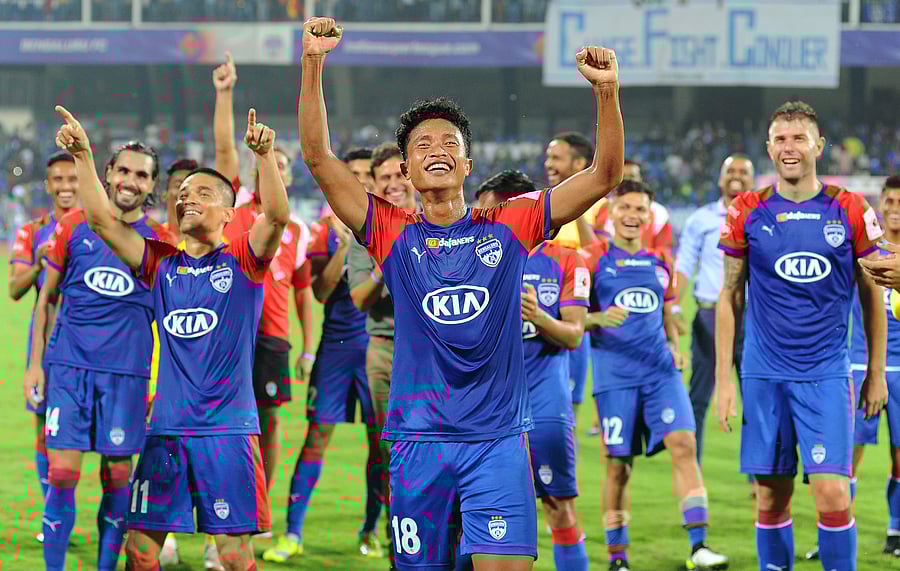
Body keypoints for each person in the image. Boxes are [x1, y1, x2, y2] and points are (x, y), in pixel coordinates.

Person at [299, 16, 623, 570]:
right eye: (422, 143)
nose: (436, 149)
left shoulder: (511, 224)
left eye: (449, 141)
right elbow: (318, 159)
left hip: (496, 440)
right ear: (404, 167)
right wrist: (312, 64)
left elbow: (604, 175)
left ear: (467, 163)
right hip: (418, 441)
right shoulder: (391, 231)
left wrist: (607, 92)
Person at [717, 101, 888, 571]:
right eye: (781, 139)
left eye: (799, 138)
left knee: (834, 494)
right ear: (769, 147)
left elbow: (872, 297)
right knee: (771, 498)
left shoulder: (850, 208)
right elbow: (729, 295)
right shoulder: (746, 209)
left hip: (826, 373)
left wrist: (875, 372)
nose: (789, 148)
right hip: (764, 374)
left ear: (818, 144)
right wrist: (724, 380)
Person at [24, 138, 170, 571]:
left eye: (141, 174)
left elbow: (168, 324)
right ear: (107, 173)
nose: (130, 181)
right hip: (69, 368)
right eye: (123, 171)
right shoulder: (73, 225)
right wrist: (35, 364)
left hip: (126, 376)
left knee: (118, 478)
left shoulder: (159, 243)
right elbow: (45, 299)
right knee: (63, 474)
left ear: (152, 185)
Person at [585, 180, 728, 571]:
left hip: (661, 372)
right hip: (616, 376)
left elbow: (667, 308)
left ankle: (699, 547)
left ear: (651, 216)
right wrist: (596, 317)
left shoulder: (660, 261)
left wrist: (676, 339)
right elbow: (569, 317)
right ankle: (618, 558)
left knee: (684, 443)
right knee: (618, 466)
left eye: (640, 210)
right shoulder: (593, 259)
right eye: (625, 208)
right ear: (611, 213)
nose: (632, 216)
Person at [262, 149, 383, 564]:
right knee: (317, 437)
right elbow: (320, 292)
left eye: (369, 174)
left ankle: (371, 530)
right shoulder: (323, 232)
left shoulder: (393, 227)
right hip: (337, 348)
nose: (363, 180)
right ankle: (292, 532)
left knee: (379, 445)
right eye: (355, 174)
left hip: (378, 349)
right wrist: (345, 249)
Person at [477, 169, 591, 571]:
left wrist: (538, 316)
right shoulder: (473, 261)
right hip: (485, 409)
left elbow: (574, 335)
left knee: (559, 507)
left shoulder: (567, 260)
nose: (480, 219)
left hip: (544, 406)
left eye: (489, 211)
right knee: (477, 516)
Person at [805, 175, 900, 561]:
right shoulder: (864, 248)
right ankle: (836, 529)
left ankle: (895, 530)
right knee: (847, 455)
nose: (894, 209)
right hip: (861, 362)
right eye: (889, 202)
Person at [347, 142, 418, 563]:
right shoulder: (366, 234)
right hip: (386, 351)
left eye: (398, 175)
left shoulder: (443, 222)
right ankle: (401, 548)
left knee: (446, 447)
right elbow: (359, 298)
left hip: (439, 352)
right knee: (391, 452)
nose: (393, 184)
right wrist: (383, 260)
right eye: (384, 178)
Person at [9, 151, 78, 542]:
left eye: (72, 179)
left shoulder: (99, 228)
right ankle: (53, 513)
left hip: (93, 348)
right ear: (48, 184)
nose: (66, 187)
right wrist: (38, 265)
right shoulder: (33, 230)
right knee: (45, 428)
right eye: (58, 180)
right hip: (48, 347)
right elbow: (15, 289)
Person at [674, 154, 754, 462]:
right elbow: (683, 266)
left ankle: (760, 476)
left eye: (743, 172)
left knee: (757, 398)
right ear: (720, 179)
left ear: (753, 178)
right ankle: (692, 471)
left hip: (753, 317)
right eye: (730, 171)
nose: (735, 176)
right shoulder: (701, 219)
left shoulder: (761, 216)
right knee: (698, 398)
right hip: (708, 317)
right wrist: (673, 307)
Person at [543, 132, 596, 425]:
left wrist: (575, 208)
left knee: (566, 418)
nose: (548, 164)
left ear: (578, 163)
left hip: (575, 320)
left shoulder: (601, 207)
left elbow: (597, 259)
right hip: (533, 323)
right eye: (548, 157)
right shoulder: (540, 203)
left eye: (556, 158)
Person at [593, 160, 673, 256]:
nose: (627, 181)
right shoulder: (602, 207)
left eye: (632, 176)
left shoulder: (660, 212)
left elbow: (665, 251)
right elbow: (596, 245)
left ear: (640, 178)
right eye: (622, 176)